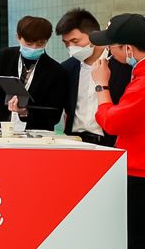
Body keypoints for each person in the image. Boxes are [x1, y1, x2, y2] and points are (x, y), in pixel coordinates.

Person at [90, 13, 145, 249]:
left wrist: (102, 86)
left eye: (111, 46)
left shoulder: (143, 83)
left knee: (136, 247)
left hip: (139, 175)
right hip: (136, 171)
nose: (107, 52)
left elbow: (112, 122)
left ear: (128, 49)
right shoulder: (138, 76)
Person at [0, 15, 68, 131]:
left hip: (36, 133)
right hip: (0, 128)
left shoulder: (55, 70)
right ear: (18, 37)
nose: (34, 48)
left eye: (40, 44)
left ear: (46, 41)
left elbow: (54, 115)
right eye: (29, 44)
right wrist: (7, 83)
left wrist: (26, 112)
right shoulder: (6, 56)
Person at [56, 8, 131, 146]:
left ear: (94, 36)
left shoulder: (123, 66)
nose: (71, 47)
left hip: (110, 143)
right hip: (74, 141)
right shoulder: (67, 68)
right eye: (66, 43)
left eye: (75, 41)